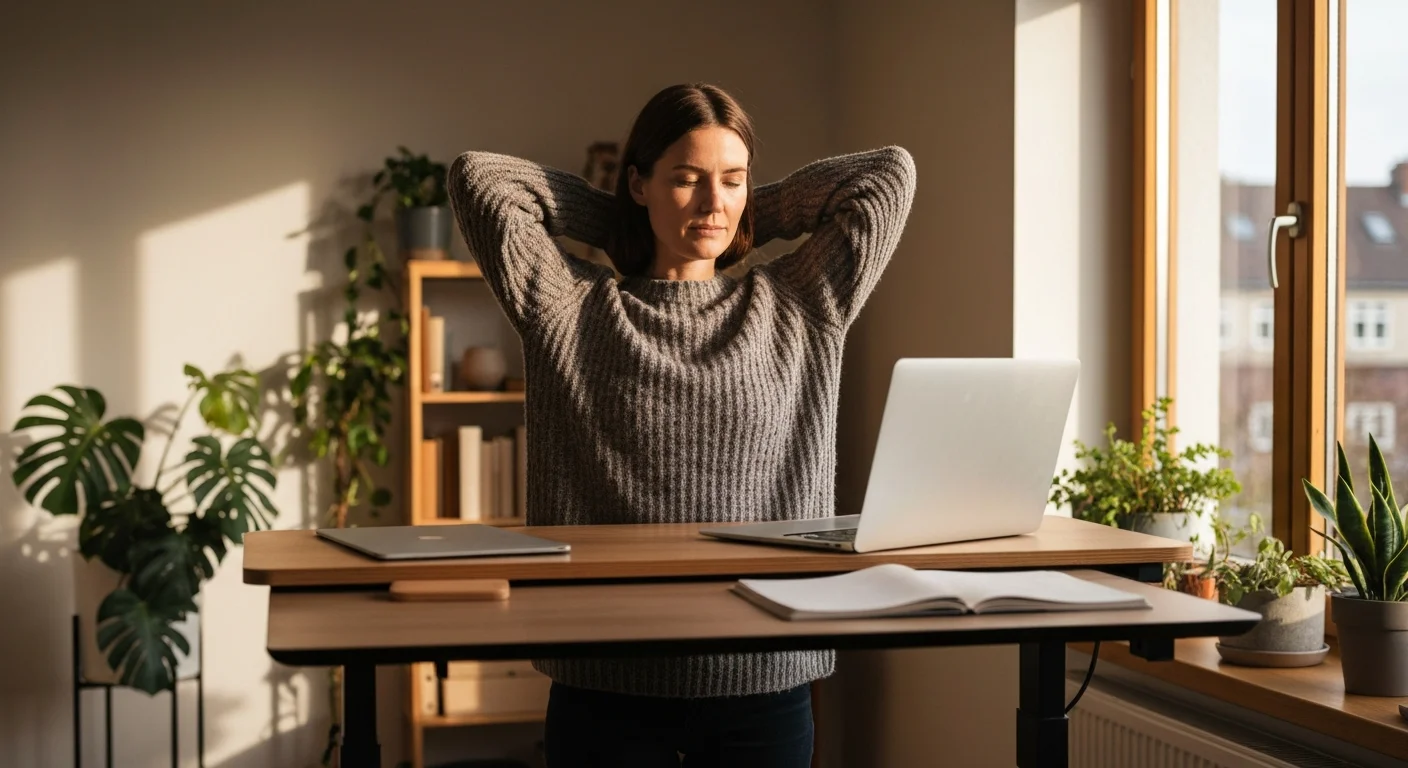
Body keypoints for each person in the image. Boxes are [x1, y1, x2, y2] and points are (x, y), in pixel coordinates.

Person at [445, 82, 916, 768]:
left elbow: (888, 176)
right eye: (687, 179)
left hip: (767, 679)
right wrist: (619, 220)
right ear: (639, 183)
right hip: (604, 684)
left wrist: (752, 208)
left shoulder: (801, 302)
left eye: (732, 180)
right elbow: (479, 180)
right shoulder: (567, 307)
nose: (711, 202)